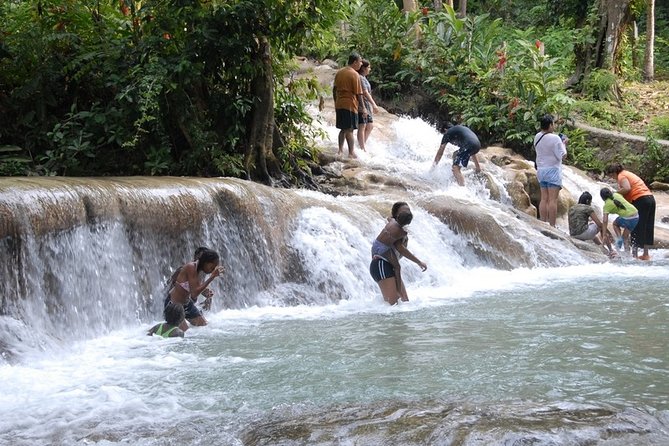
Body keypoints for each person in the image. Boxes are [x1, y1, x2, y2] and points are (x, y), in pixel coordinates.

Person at [370, 203, 427, 305]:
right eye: (403, 211)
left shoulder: (394, 224)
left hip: (386, 262)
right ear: (397, 215)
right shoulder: (400, 233)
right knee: (394, 307)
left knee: (404, 303)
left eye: (408, 210)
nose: (407, 213)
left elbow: (389, 219)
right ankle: (398, 291)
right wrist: (419, 262)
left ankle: (399, 292)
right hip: (381, 264)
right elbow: (401, 249)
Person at [606, 163, 656, 260]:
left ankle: (635, 255)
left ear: (613, 173)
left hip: (640, 199)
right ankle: (646, 254)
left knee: (636, 226)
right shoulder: (627, 173)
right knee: (648, 226)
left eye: (611, 176)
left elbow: (627, 188)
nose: (612, 178)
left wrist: (614, 194)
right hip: (650, 198)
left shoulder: (621, 176)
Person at [165, 249, 224, 331]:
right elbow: (194, 294)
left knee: (204, 326)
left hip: (186, 304)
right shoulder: (191, 267)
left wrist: (205, 292)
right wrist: (212, 277)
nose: (212, 270)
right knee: (183, 332)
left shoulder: (199, 271)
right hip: (175, 305)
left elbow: (193, 287)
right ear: (205, 262)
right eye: (212, 267)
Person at [534, 114, 568, 227]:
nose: (554, 126)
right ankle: (552, 226)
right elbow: (562, 156)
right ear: (549, 125)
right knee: (553, 200)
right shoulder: (555, 138)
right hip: (553, 171)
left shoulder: (537, 136)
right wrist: (564, 144)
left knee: (544, 198)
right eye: (553, 123)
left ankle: (543, 222)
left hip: (541, 171)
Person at [333, 53, 365, 159]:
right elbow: (359, 93)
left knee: (343, 128)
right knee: (349, 129)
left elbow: (334, 89)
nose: (361, 64)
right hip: (350, 105)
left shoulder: (340, 72)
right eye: (360, 61)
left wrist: (335, 102)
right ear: (355, 62)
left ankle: (340, 150)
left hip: (340, 103)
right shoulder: (354, 74)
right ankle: (351, 152)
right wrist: (363, 108)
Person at [432, 122, 482, 186]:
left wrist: (433, 167)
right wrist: (478, 167)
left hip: (469, 145)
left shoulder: (448, 132)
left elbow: (440, 152)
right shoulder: (459, 131)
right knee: (455, 154)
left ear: (445, 130)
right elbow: (472, 151)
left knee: (455, 168)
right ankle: (456, 177)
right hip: (477, 145)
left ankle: (462, 189)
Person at [568, 191, 614, 256]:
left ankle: (601, 247)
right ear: (587, 201)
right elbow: (599, 224)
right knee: (600, 226)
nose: (590, 203)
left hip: (573, 234)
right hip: (582, 234)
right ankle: (611, 250)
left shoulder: (572, 208)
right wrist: (609, 233)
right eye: (590, 201)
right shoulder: (588, 208)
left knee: (591, 228)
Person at [600, 187, 639, 255]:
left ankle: (619, 237)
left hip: (627, 218)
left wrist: (604, 234)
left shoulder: (607, 205)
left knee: (615, 224)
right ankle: (627, 255)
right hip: (636, 216)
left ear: (602, 198)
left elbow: (605, 220)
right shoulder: (617, 195)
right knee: (625, 237)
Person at [356, 59, 379, 151]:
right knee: (363, 125)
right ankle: (362, 147)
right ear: (364, 68)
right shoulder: (360, 78)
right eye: (369, 67)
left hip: (366, 103)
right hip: (362, 103)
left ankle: (361, 145)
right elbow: (365, 92)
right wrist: (374, 104)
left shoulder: (364, 77)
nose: (370, 69)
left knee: (370, 126)